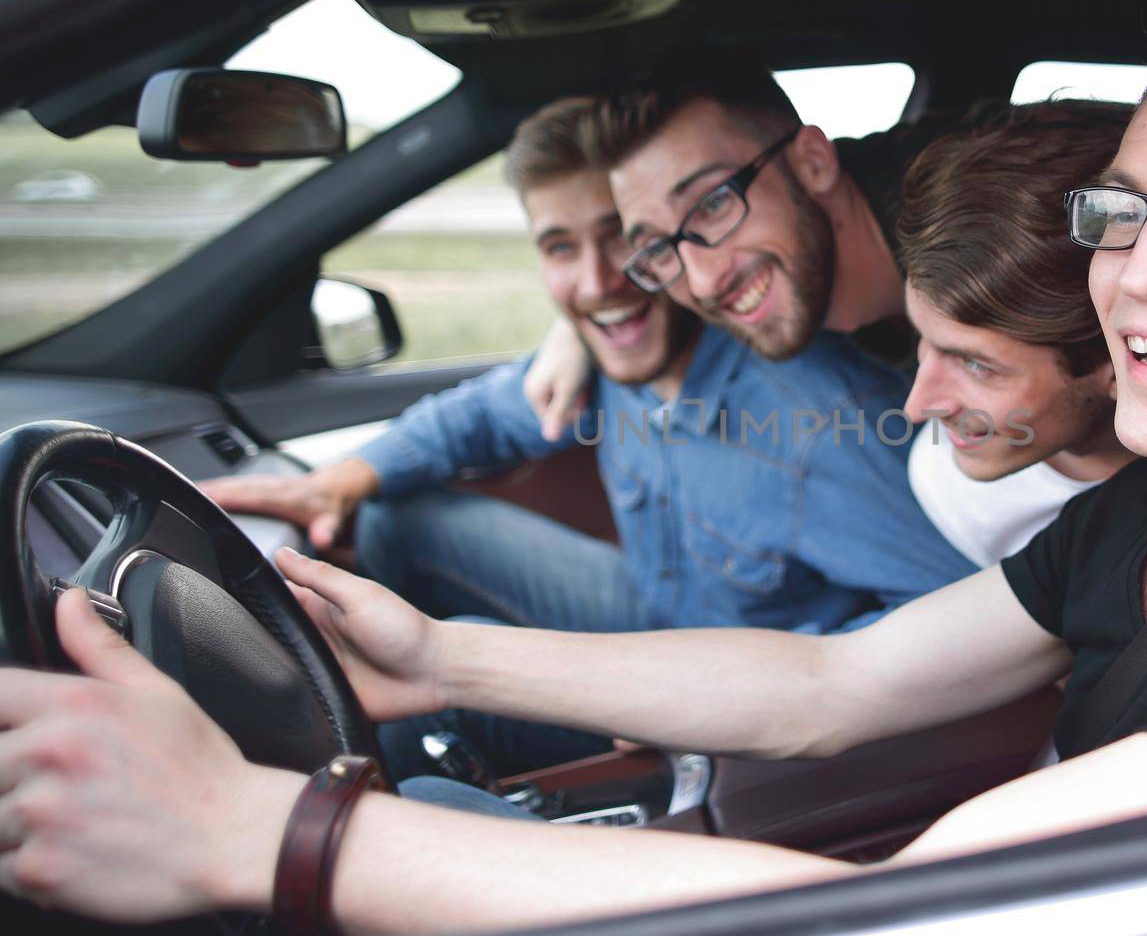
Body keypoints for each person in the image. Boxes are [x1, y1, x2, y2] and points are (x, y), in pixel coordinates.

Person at [1, 0, 1147, 933]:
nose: (1145, 273)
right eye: (1129, 212)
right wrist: (444, 654)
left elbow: (920, 906)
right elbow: (832, 685)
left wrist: (273, 830)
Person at [202, 96, 975, 775]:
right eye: (561, 248)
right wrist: (338, 479)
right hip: (649, 612)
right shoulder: (610, 358)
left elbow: (958, 636)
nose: (602, 282)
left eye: (618, 242)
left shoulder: (819, 429)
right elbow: (480, 414)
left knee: (433, 692)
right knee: (395, 513)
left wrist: (707, 695)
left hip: (729, 698)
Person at [522, 46, 962, 438]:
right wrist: (575, 330)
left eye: (713, 204)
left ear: (813, 162)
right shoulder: (788, 266)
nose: (703, 282)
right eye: (657, 245)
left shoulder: (985, 230)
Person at [897, 99, 1137, 566]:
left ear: (1117, 359)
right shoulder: (951, 486)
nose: (917, 407)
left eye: (975, 365)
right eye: (923, 342)